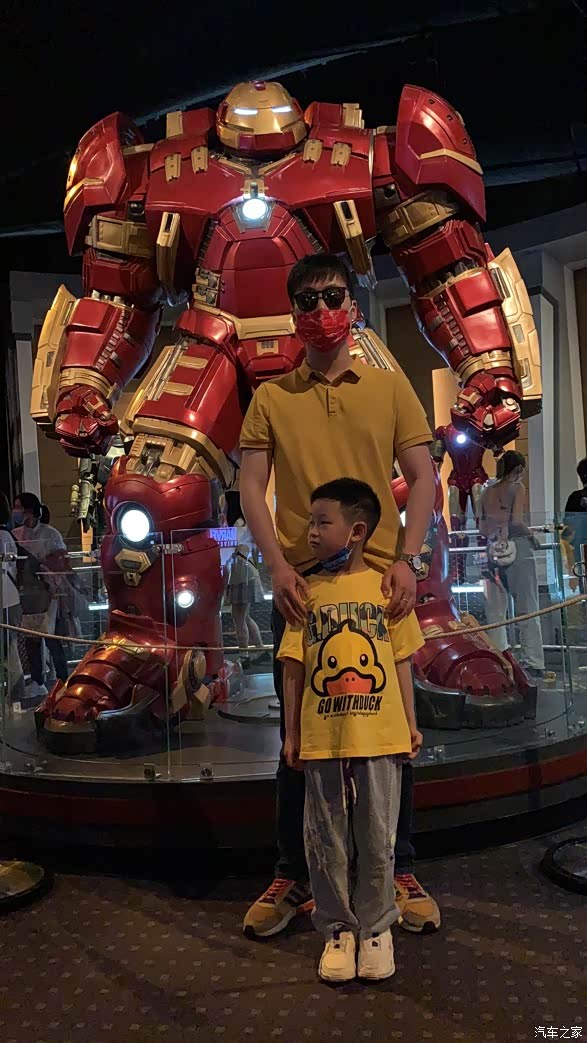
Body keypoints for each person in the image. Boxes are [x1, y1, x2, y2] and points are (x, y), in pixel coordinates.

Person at [239, 253, 438, 938]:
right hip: (303, 589)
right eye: (306, 300)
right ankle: (293, 871)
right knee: (298, 737)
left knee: (393, 733)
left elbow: (422, 474)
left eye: (332, 297)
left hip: (380, 585)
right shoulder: (272, 398)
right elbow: (249, 485)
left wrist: (408, 559)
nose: (321, 311)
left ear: (351, 305)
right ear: (291, 312)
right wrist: (276, 564)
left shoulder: (388, 386)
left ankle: (397, 865)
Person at [280, 479, 423, 981]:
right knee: (326, 839)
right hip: (323, 739)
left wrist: (410, 724)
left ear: (357, 531)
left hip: (380, 735)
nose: (312, 531)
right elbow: (293, 666)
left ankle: (377, 927)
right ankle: (338, 928)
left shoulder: (386, 589)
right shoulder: (304, 593)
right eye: (311, 521)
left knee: (378, 836)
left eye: (324, 522)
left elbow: (401, 661)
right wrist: (291, 733)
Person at [479, 451, 548, 678]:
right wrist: (532, 536)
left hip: (492, 549)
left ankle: (500, 658)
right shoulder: (517, 488)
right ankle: (533, 661)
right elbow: (517, 521)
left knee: (495, 611)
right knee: (527, 605)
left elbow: (482, 528)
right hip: (517, 547)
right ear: (519, 468)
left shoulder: (486, 492)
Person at [12, 493, 69, 699]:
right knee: (31, 642)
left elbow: (62, 564)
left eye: (19, 507)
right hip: (26, 596)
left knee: (52, 640)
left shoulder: (50, 534)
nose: (16, 512)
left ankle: (64, 681)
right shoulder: (15, 534)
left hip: (48, 594)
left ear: (30, 510)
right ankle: (37, 682)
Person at [0, 492, 26, 706]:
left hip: (6, 602)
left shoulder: (3, 536)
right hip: (10, 599)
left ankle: (16, 693)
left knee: (9, 651)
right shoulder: (7, 535)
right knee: (9, 650)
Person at [225, 543, 269, 668]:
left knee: (239, 619)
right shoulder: (246, 538)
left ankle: (245, 656)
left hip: (241, 577)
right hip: (245, 575)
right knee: (245, 618)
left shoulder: (241, 538)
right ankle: (260, 650)